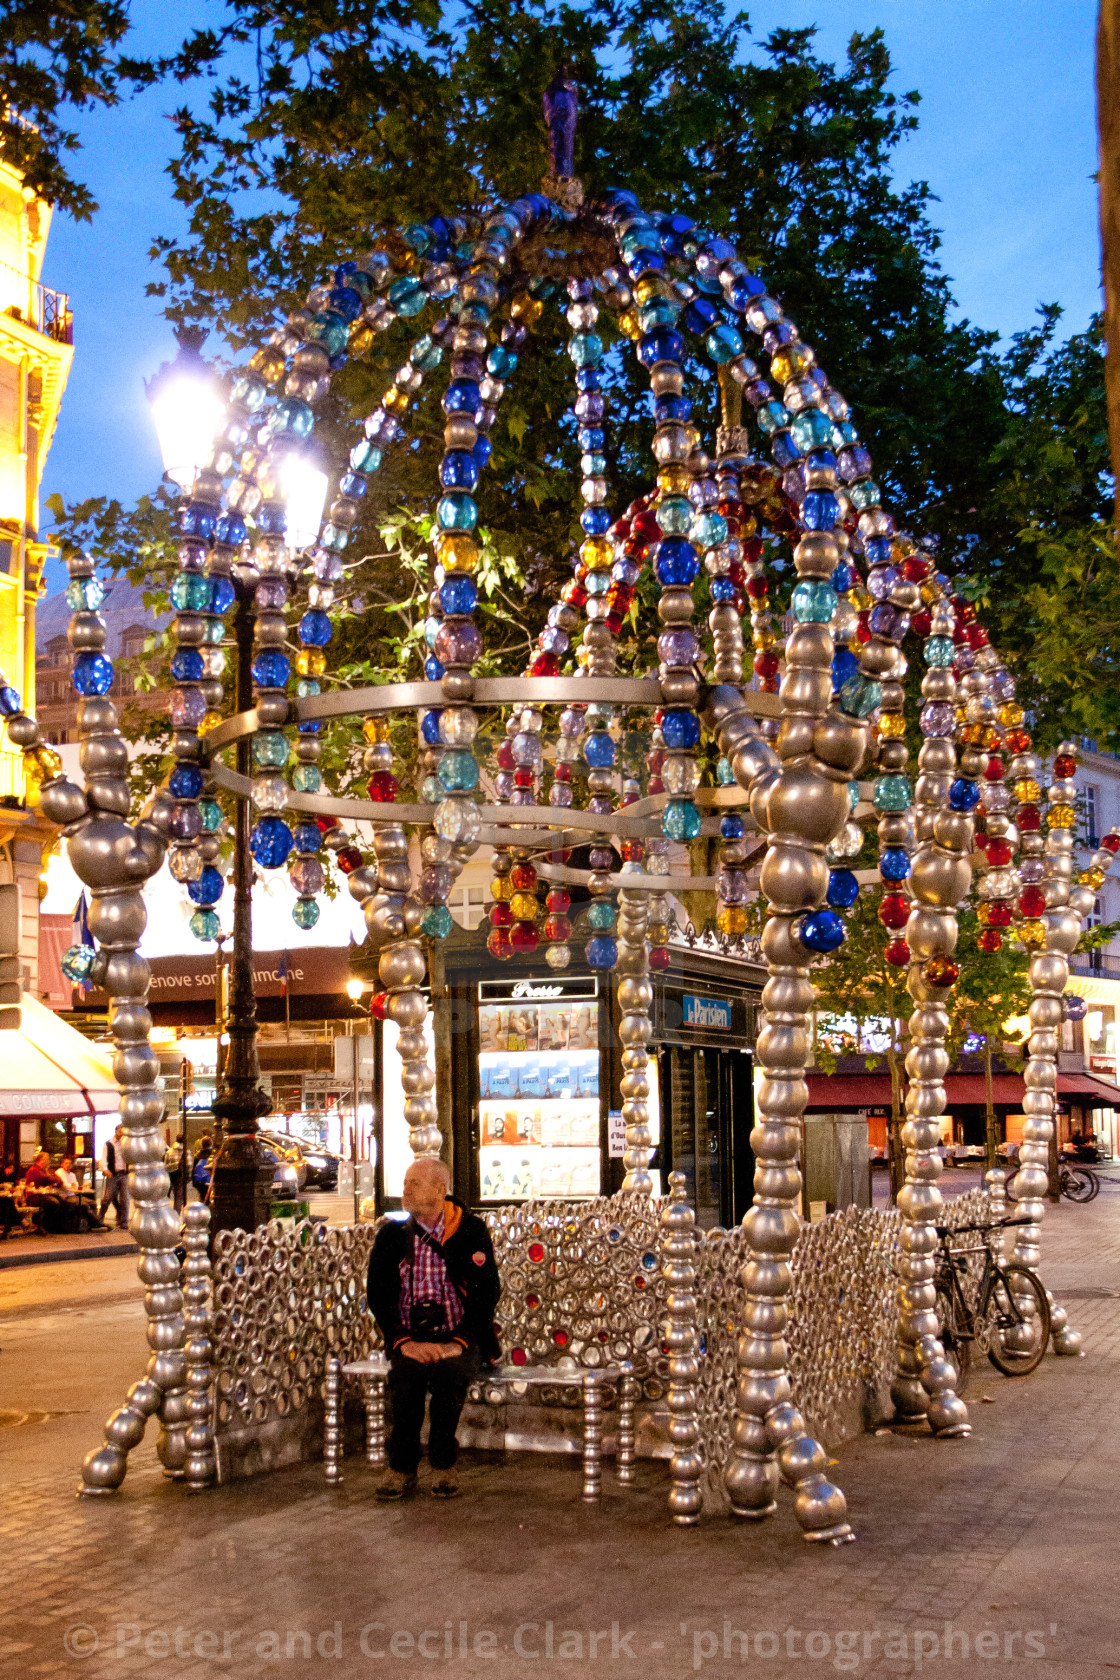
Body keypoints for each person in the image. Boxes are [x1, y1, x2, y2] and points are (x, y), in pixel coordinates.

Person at [366, 1157, 500, 1501]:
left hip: (460, 1336)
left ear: (440, 1190)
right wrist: (403, 1342)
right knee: (406, 1378)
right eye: (406, 1182)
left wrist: (459, 1342)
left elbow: (487, 1293)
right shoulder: (392, 1236)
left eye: (414, 1183)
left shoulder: (470, 1231)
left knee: (450, 1375)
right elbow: (379, 1295)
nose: (405, 1190)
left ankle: (443, 1464)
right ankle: (401, 1467)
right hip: (411, 1337)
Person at [99, 1126, 129, 1229]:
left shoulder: (126, 1144)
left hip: (124, 1174)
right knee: (107, 1197)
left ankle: (123, 1221)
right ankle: (100, 1218)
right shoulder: (109, 1144)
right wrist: (104, 1169)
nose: (122, 1132)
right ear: (116, 1131)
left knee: (125, 1198)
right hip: (113, 1174)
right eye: (120, 1130)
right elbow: (103, 1158)